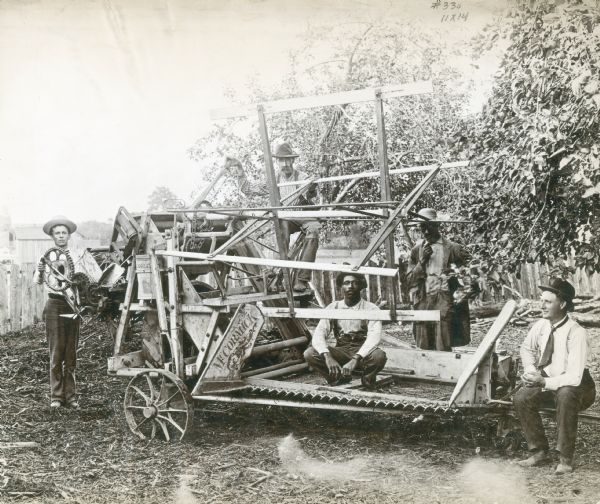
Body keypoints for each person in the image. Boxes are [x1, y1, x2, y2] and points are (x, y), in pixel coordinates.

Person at [514, 278, 596, 474]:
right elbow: (526, 348)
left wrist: (543, 381)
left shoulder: (577, 333)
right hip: (551, 381)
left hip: (580, 388)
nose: (541, 305)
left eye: (547, 302)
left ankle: (565, 458)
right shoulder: (541, 325)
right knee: (521, 397)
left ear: (563, 304)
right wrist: (530, 371)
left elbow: (574, 377)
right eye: (541, 300)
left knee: (565, 395)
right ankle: (539, 451)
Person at [224, 141, 320, 292]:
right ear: (277, 162)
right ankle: (277, 271)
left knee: (314, 229)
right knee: (281, 227)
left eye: (288, 160)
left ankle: (301, 279)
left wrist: (312, 188)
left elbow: (312, 191)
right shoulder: (273, 179)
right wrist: (240, 172)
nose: (285, 164)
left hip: (302, 214)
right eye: (282, 160)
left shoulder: (301, 176)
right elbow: (249, 189)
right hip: (284, 218)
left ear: (293, 160)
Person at [303, 272, 387, 388]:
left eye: (355, 283)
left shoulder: (371, 308)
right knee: (310, 353)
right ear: (341, 286)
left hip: (363, 353)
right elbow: (319, 333)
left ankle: (367, 379)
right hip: (342, 350)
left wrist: (355, 358)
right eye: (346, 283)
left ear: (361, 286)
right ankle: (336, 378)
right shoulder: (334, 307)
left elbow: (374, 338)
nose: (350, 286)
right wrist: (328, 357)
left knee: (379, 356)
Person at [405, 208, 472, 351]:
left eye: (429, 227)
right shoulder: (417, 250)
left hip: (445, 300)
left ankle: (446, 370)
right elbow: (409, 280)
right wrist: (421, 262)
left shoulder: (454, 248)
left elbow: (470, 275)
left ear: (437, 226)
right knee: (424, 343)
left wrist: (460, 294)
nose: (426, 232)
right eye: (422, 228)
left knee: (443, 341)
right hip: (423, 300)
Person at [33, 216, 80, 409]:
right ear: (52, 236)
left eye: (63, 233)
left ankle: (71, 397)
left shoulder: (76, 255)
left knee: (71, 353)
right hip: (54, 305)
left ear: (68, 235)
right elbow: (37, 281)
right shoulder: (46, 257)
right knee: (55, 352)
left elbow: (84, 280)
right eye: (57, 233)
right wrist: (40, 269)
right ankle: (56, 396)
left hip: (72, 305)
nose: (60, 236)